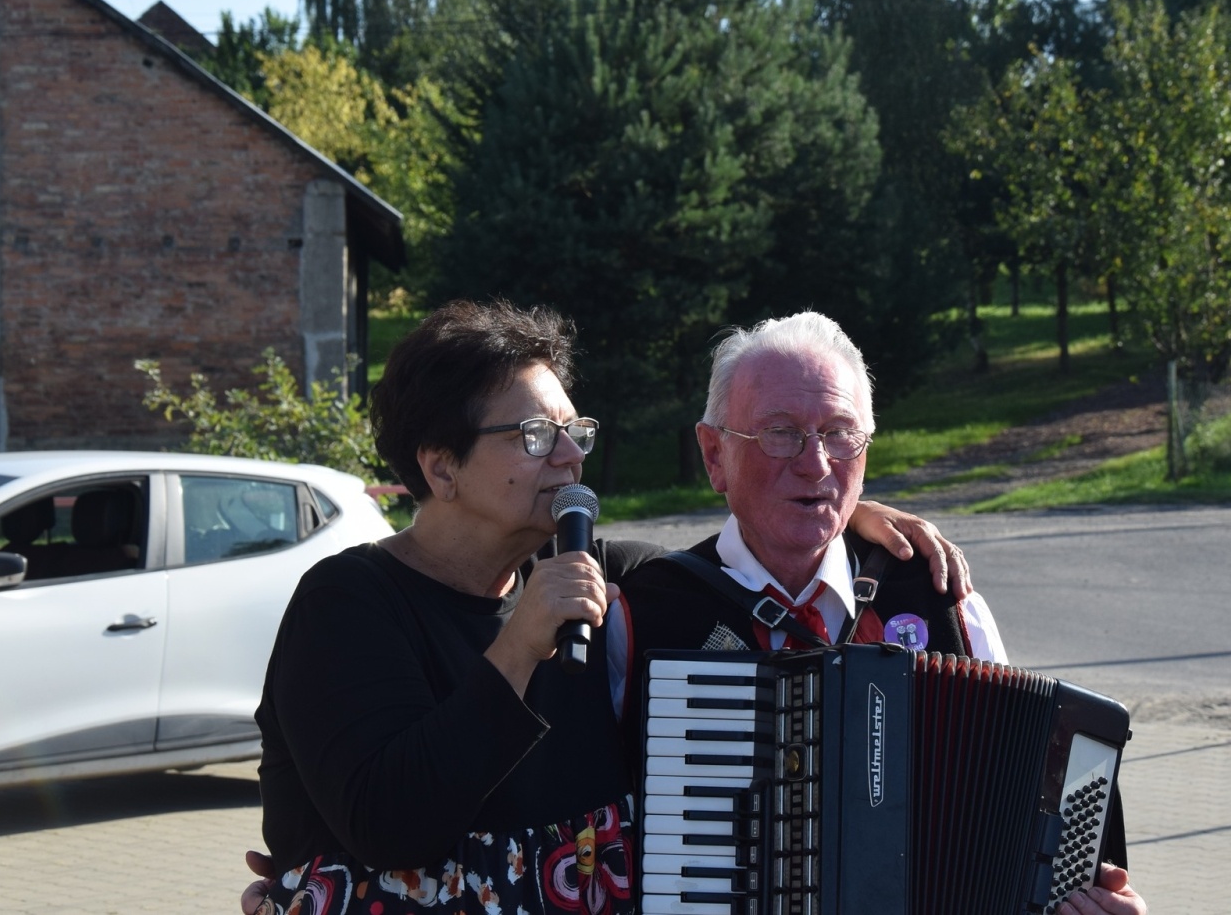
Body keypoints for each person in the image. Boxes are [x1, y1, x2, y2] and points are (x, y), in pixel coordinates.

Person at [245, 301, 970, 915]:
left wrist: (838, 513)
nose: (569, 457)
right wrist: (518, 650)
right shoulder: (346, 604)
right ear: (441, 467)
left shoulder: (611, 579)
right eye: (534, 436)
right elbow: (389, 826)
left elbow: (743, 563)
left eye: (574, 431)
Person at [607, 312, 1149, 915]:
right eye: (780, 433)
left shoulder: (940, 600)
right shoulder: (642, 619)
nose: (815, 465)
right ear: (714, 455)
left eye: (840, 434)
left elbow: (1023, 844)